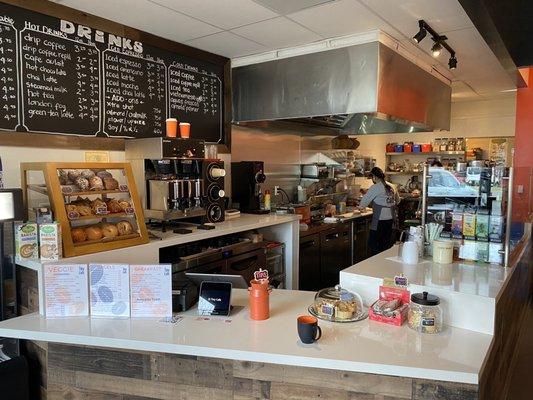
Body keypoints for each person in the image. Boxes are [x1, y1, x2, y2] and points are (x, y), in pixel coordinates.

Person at [359, 167, 400, 256]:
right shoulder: (392, 186)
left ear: (374, 177)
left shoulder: (376, 187)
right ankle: (383, 264)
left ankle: (376, 264)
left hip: (379, 220)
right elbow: (398, 201)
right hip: (390, 219)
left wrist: (361, 207)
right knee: (385, 244)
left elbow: (363, 202)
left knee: (373, 243)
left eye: (372, 177)